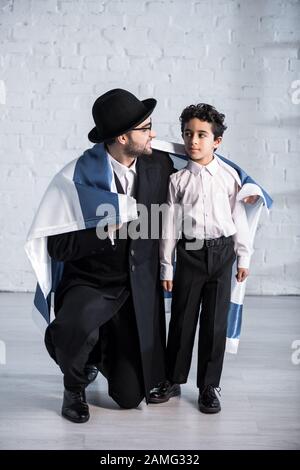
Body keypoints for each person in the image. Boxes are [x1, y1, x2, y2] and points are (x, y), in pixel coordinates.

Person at [41, 89, 174, 422]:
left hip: (135, 288)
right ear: (122, 137)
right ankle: (73, 384)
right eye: (146, 128)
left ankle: (98, 353)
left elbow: (199, 170)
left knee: (130, 399)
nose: (153, 134)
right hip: (91, 282)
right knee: (76, 326)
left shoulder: (159, 164)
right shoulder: (75, 179)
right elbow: (57, 248)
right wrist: (106, 230)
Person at [149, 103, 253, 413]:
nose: (193, 141)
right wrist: (166, 265)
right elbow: (167, 225)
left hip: (222, 254)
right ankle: (173, 379)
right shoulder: (177, 181)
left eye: (202, 135)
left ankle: (209, 385)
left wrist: (243, 257)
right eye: (187, 134)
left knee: (214, 323)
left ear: (216, 141)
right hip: (190, 252)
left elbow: (240, 218)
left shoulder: (230, 178)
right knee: (182, 319)